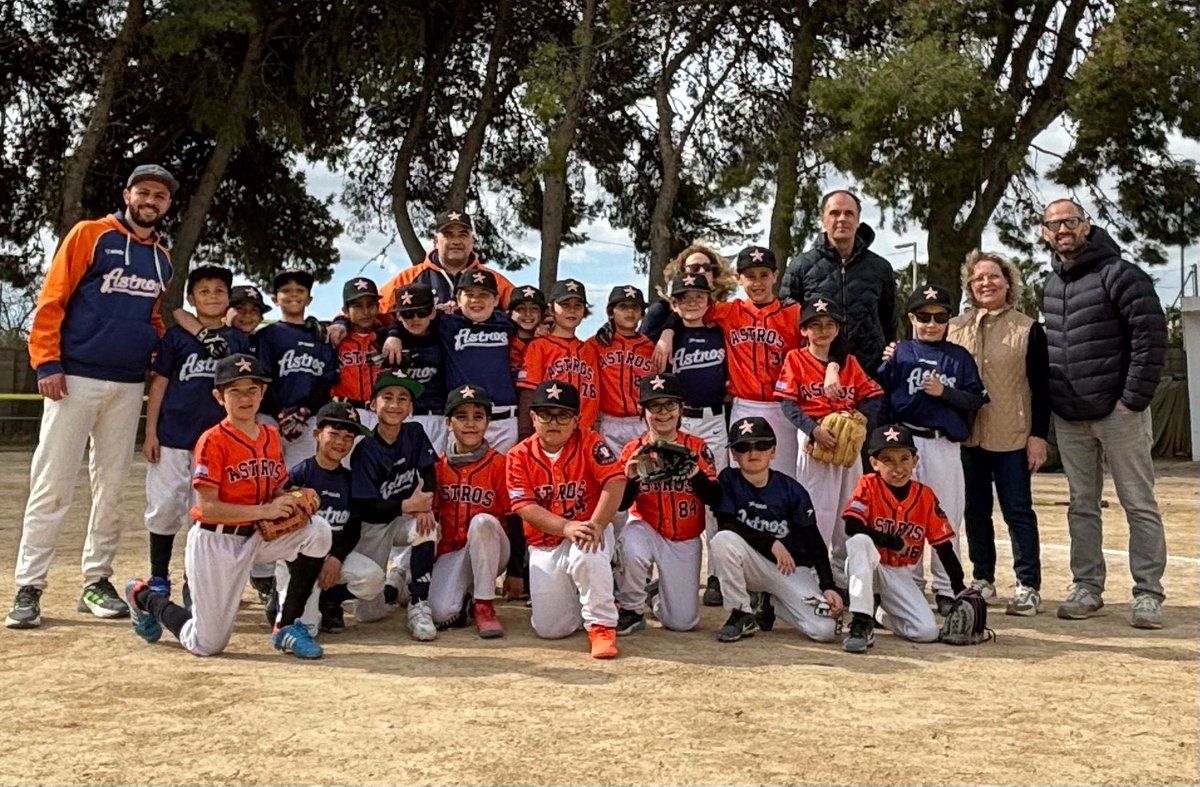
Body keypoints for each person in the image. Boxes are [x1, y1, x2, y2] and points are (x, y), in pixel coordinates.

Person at [8, 164, 176, 629]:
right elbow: (52, 299)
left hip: (127, 384)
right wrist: (47, 362)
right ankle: (29, 585)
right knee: (53, 482)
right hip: (74, 377)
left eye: (160, 196)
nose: (151, 201)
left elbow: (153, 319)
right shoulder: (91, 235)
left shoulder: (162, 257)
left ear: (166, 205)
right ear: (127, 194)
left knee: (111, 486)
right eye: (143, 192)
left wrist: (169, 349)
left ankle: (96, 581)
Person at [123, 353, 332, 659]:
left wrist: (288, 498)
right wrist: (266, 511)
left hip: (257, 536)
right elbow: (207, 508)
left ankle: (287, 626)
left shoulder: (270, 435)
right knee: (206, 644)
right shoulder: (212, 440)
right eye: (235, 390)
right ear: (219, 396)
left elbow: (274, 486)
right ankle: (144, 596)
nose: (245, 397)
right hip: (216, 541)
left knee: (319, 531)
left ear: (262, 393)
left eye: (252, 389)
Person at [1040, 199, 1168, 629]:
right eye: (1054, 224)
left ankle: (1148, 594)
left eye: (1070, 221)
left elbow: (1151, 339)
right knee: (1082, 505)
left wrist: (1131, 399)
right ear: (1044, 232)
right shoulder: (1050, 284)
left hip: (1119, 414)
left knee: (1138, 504)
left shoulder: (1122, 274)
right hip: (1070, 416)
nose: (1063, 230)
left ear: (1086, 225)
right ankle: (1087, 587)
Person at [947, 250, 1049, 616]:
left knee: (1017, 510)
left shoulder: (1028, 328)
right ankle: (983, 578)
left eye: (994, 276)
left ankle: (1027, 584)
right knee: (975, 510)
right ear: (970, 286)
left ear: (1008, 283)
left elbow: (1041, 386)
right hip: (968, 435)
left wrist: (1038, 435)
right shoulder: (955, 328)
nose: (986, 283)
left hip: (1013, 434)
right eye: (978, 278)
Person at [877, 285, 987, 615]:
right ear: (911, 318)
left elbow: (976, 399)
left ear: (949, 320)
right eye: (923, 316)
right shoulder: (900, 353)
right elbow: (881, 398)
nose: (931, 323)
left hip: (943, 443)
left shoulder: (958, 356)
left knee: (944, 518)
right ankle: (908, 586)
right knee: (902, 518)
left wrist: (944, 393)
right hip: (904, 444)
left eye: (940, 317)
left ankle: (946, 586)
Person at [142, 265, 250, 600]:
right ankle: (159, 576)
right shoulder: (176, 336)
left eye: (219, 291)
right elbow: (158, 385)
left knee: (202, 512)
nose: (212, 297)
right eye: (203, 291)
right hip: (173, 435)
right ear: (191, 298)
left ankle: (194, 579)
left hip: (216, 442)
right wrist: (149, 433)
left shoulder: (238, 339)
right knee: (163, 507)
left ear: (227, 297)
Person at [655, 246, 803, 474]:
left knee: (786, 476)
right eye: (750, 276)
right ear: (738, 278)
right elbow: (689, 307)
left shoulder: (793, 312)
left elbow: (823, 344)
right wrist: (668, 331)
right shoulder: (728, 311)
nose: (757, 283)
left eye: (764, 275)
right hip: (744, 406)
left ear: (775, 275)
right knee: (741, 476)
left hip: (783, 406)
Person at [505, 380, 626, 658]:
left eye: (562, 414)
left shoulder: (590, 441)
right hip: (545, 542)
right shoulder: (517, 456)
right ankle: (579, 597)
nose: (553, 422)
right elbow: (524, 507)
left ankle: (601, 625)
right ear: (533, 417)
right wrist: (564, 526)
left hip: (586, 527)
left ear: (576, 420)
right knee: (551, 629)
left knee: (588, 550)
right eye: (545, 414)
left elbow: (615, 481)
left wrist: (596, 524)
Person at [776, 296, 883, 591]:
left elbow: (874, 394)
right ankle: (812, 576)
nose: (822, 330)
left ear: (837, 329)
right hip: (815, 439)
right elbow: (788, 403)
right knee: (818, 511)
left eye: (829, 324)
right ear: (803, 331)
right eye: (815, 325)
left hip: (845, 440)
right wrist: (812, 430)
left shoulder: (847, 362)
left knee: (848, 510)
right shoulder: (795, 359)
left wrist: (860, 417)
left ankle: (842, 576)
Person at [709, 416, 843, 643]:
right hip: (752, 563)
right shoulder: (729, 480)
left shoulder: (790, 489)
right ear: (733, 454)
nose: (753, 453)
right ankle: (741, 612)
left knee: (825, 630)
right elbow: (727, 522)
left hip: (789, 568)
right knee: (722, 540)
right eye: (743, 447)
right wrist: (770, 543)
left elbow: (813, 540)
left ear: (773, 451)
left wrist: (828, 585)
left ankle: (773, 603)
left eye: (761, 446)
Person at [840, 424, 967, 653]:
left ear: (915, 461)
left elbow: (943, 546)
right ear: (874, 463)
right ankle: (861, 621)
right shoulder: (868, 484)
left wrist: (960, 589)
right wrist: (894, 542)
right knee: (859, 542)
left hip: (900, 573)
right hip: (870, 567)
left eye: (904, 459)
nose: (898, 468)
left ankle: (881, 615)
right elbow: (852, 525)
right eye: (888, 460)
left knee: (926, 632)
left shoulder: (925, 495)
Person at [614, 373, 719, 635]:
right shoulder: (633, 450)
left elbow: (715, 498)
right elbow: (621, 506)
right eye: (655, 406)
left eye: (670, 405)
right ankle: (631, 609)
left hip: (684, 537)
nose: (663, 413)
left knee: (683, 623)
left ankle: (657, 597)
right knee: (629, 539)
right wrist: (631, 478)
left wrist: (695, 474)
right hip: (647, 528)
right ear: (643, 411)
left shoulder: (696, 446)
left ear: (681, 408)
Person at [275, 401, 386, 635]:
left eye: (348, 437)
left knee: (373, 579)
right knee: (307, 629)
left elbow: (353, 526)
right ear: (316, 434)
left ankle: (329, 599)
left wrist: (336, 558)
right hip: (300, 561)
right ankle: (280, 599)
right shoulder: (301, 473)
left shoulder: (350, 479)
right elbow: (282, 524)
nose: (340, 442)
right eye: (333, 433)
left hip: (333, 557)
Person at [383, 269, 520, 453]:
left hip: (505, 419)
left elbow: (535, 321)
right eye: (469, 294)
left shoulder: (507, 323)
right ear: (458, 298)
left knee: (500, 479)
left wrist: (543, 325)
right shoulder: (446, 322)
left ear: (496, 300)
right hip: (462, 418)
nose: (475, 300)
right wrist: (394, 335)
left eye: (483, 295)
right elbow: (409, 316)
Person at [347, 368, 440, 640]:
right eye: (387, 397)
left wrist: (426, 504)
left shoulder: (414, 432)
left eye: (403, 398)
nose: (395, 404)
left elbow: (429, 472)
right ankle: (391, 582)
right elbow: (366, 507)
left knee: (428, 527)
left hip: (402, 517)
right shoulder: (365, 449)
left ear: (411, 407)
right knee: (370, 613)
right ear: (372, 404)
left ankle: (419, 602)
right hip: (374, 525)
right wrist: (410, 506)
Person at [429, 384, 521, 638]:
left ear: (488, 422)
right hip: (453, 551)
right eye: (461, 417)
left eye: (478, 417)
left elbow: (515, 519)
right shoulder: (438, 466)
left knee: (482, 522)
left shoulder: (500, 464)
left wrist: (515, 571)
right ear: (448, 422)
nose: (470, 424)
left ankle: (484, 605)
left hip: (495, 548)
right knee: (440, 613)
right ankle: (467, 596)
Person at [660, 273, 729, 607]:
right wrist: (668, 331)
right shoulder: (667, 335)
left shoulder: (720, 331)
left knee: (715, 499)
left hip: (715, 421)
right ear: (674, 303)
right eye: (684, 297)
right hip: (679, 420)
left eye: (698, 295)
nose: (692, 302)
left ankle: (716, 574)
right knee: (670, 495)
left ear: (708, 299)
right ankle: (663, 570)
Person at [780, 189, 897, 377]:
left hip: (868, 372)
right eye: (834, 213)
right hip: (816, 373)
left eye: (849, 213)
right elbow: (787, 320)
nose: (842, 219)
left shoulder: (880, 268)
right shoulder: (800, 266)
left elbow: (889, 321)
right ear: (822, 220)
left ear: (858, 221)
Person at [255, 269, 339, 468]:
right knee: (265, 474)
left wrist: (305, 411)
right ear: (275, 299)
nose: (293, 294)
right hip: (270, 417)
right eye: (286, 290)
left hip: (308, 419)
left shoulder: (321, 336)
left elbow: (327, 380)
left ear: (309, 298)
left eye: (300, 290)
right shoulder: (267, 334)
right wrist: (279, 412)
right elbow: (262, 377)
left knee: (298, 478)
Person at [375, 210, 514, 315]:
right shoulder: (408, 278)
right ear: (435, 241)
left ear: (472, 241)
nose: (456, 241)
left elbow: (527, 312)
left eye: (463, 235)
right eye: (448, 235)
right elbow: (375, 311)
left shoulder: (493, 280)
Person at [516, 279, 601, 436]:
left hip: (584, 434)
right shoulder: (539, 346)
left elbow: (594, 398)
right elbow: (528, 395)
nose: (572, 311)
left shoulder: (590, 349)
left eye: (578, 306)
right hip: (550, 433)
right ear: (552, 309)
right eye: (565, 305)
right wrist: (525, 434)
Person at [588, 286, 656, 455]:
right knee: (613, 473)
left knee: (643, 474)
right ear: (611, 313)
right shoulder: (596, 344)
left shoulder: (650, 347)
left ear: (642, 314)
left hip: (642, 420)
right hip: (609, 420)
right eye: (623, 307)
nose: (630, 312)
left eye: (635, 307)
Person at [388, 282, 448, 453]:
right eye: (408, 314)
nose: (415, 319)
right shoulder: (387, 339)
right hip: (402, 418)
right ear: (398, 316)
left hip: (439, 417)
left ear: (433, 312)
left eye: (422, 312)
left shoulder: (444, 335)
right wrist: (392, 334)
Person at [640, 244, 738, 341]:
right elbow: (640, 348)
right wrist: (667, 331)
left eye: (707, 267)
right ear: (681, 272)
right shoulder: (661, 310)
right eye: (694, 268)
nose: (702, 271)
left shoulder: (722, 310)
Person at [331, 277, 386, 430]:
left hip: (381, 413)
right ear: (345, 311)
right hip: (344, 412)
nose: (366, 312)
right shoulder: (335, 339)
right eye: (358, 306)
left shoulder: (386, 338)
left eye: (371, 305)